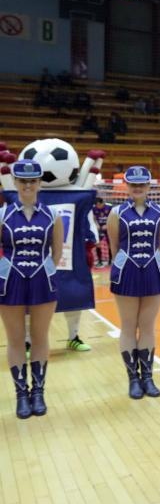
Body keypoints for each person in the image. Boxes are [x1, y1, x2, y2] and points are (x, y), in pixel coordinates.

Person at [0, 160, 63, 418]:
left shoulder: (53, 215)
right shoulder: (2, 214)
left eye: (33, 180)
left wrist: (40, 271)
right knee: (14, 339)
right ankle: (20, 395)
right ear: (14, 182)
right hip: (9, 281)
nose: (28, 185)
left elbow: (56, 253)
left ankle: (38, 392)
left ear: (39, 183)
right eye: (23, 180)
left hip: (42, 280)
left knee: (40, 336)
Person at [107, 166, 160, 399]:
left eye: (142, 184)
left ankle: (148, 377)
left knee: (148, 326)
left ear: (149, 186)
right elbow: (114, 247)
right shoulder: (116, 213)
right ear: (127, 186)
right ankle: (133, 378)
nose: (138, 188)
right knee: (128, 325)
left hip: (153, 270)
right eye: (133, 184)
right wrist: (121, 267)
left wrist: (155, 265)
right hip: (126, 272)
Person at [92, 197, 111, 267]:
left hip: (108, 227)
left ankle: (110, 261)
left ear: (102, 203)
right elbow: (93, 217)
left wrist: (107, 224)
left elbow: (113, 217)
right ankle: (99, 261)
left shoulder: (109, 207)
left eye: (99, 205)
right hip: (99, 228)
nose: (98, 206)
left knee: (110, 244)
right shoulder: (94, 208)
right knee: (98, 243)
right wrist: (96, 224)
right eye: (96, 205)